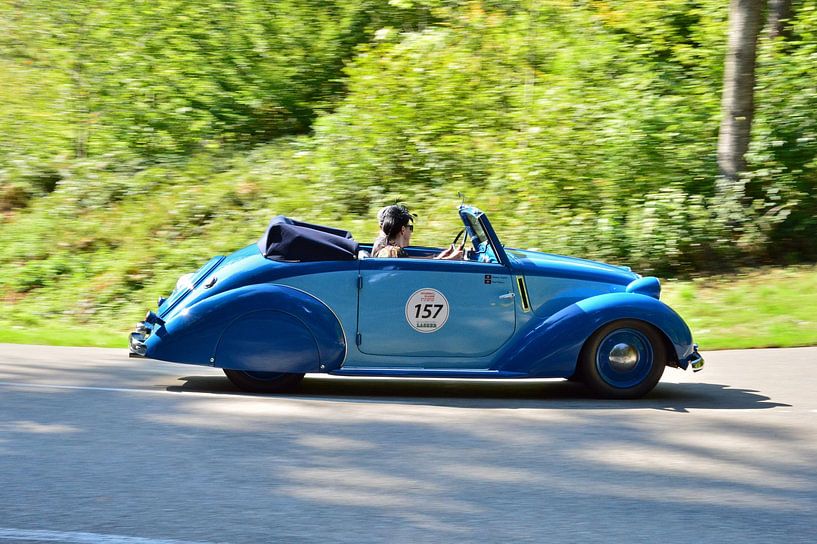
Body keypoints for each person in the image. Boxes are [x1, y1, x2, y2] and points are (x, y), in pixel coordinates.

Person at [374, 204, 463, 260]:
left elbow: (411, 261)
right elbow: (417, 269)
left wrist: (439, 257)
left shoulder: (388, 249)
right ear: (403, 230)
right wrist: (451, 258)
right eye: (410, 228)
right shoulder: (392, 253)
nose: (411, 232)